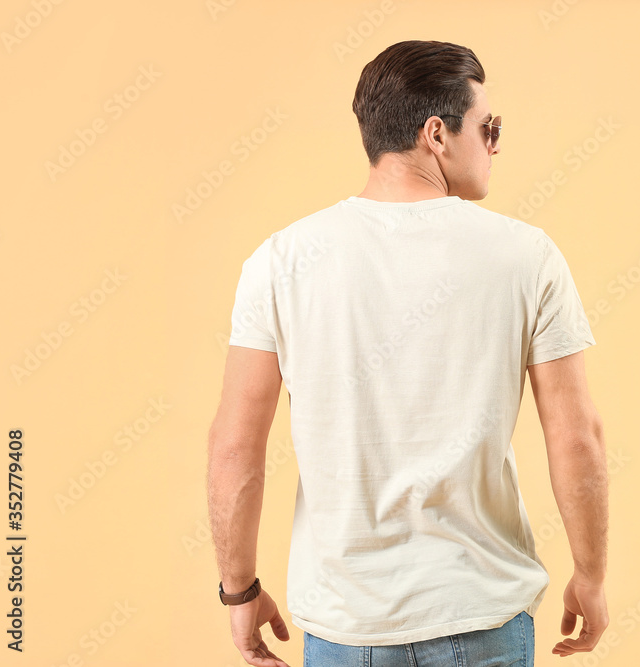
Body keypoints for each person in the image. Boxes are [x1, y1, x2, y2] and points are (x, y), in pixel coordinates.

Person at [206, 39, 609, 667]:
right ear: (436, 134)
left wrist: (240, 591)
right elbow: (578, 437)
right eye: (488, 127)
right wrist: (590, 575)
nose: (496, 145)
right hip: (482, 616)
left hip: (346, 625)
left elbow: (235, 447)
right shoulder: (526, 257)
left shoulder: (281, 262)